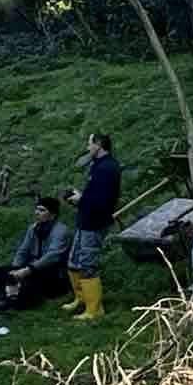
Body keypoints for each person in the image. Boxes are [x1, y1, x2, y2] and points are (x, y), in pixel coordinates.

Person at [60, 132, 121, 321]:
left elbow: (102, 200)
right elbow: (94, 193)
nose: (87, 147)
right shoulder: (98, 166)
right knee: (74, 261)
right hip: (85, 220)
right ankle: (81, 298)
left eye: (89, 144)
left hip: (95, 222)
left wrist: (81, 199)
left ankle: (94, 309)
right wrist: (81, 196)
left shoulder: (108, 168)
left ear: (99, 144)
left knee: (87, 264)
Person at [0, 196, 71, 310]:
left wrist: (27, 270)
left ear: (53, 215)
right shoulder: (33, 228)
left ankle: (15, 300)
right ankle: (1, 298)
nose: (37, 213)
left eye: (42, 210)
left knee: (29, 282)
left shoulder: (61, 231)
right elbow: (23, 250)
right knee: (2, 272)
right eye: (37, 209)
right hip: (33, 267)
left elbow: (52, 256)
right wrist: (16, 268)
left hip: (53, 272)